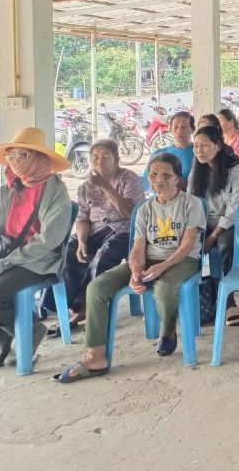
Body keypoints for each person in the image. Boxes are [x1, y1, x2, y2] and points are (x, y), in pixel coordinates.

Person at [56, 153, 205, 381]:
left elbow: (187, 245)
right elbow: (137, 247)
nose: (159, 179)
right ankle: (95, 355)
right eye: (153, 174)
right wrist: (136, 271)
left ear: (178, 178)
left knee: (165, 289)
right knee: (97, 287)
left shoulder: (191, 204)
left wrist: (162, 266)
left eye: (166, 175)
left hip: (182, 261)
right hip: (149, 260)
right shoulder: (144, 209)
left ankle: (168, 330)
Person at [0, 129, 72, 367]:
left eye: (21, 155)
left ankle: (30, 330)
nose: (13, 161)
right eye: (10, 155)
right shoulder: (6, 190)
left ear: (38, 158)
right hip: (3, 255)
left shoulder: (56, 192)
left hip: (37, 261)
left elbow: (48, 241)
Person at [54, 141, 144, 336]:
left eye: (105, 157)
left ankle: (92, 308)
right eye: (95, 157)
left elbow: (132, 213)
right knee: (70, 248)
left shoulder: (129, 179)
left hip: (123, 230)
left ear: (116, 159)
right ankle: (73, 307)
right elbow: (82, 219)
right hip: (95, 231)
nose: (99, 162)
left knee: (104, 255)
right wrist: (82, 241)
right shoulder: (85, 187)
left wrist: (106, 187)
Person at [189, 126, 239, 326]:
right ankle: (194, 297)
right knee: (185, 243)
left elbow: (237, 207)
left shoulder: (238, 169)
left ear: (218, 145)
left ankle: (229, 299)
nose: (199, 151)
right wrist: (195, 232)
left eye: (204, 146)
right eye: (196, 146)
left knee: (225, 243)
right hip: (205, 222)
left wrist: (213, 236)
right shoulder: (197, 171)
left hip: (237, 222)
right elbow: (191, 204)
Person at [142, 111, 196, 192]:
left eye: (184, 127)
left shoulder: (199, 153)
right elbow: (146, 184)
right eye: (175, 127)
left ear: (192, 130)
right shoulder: (158, 154)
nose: (179, 131)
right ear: (170, 129)